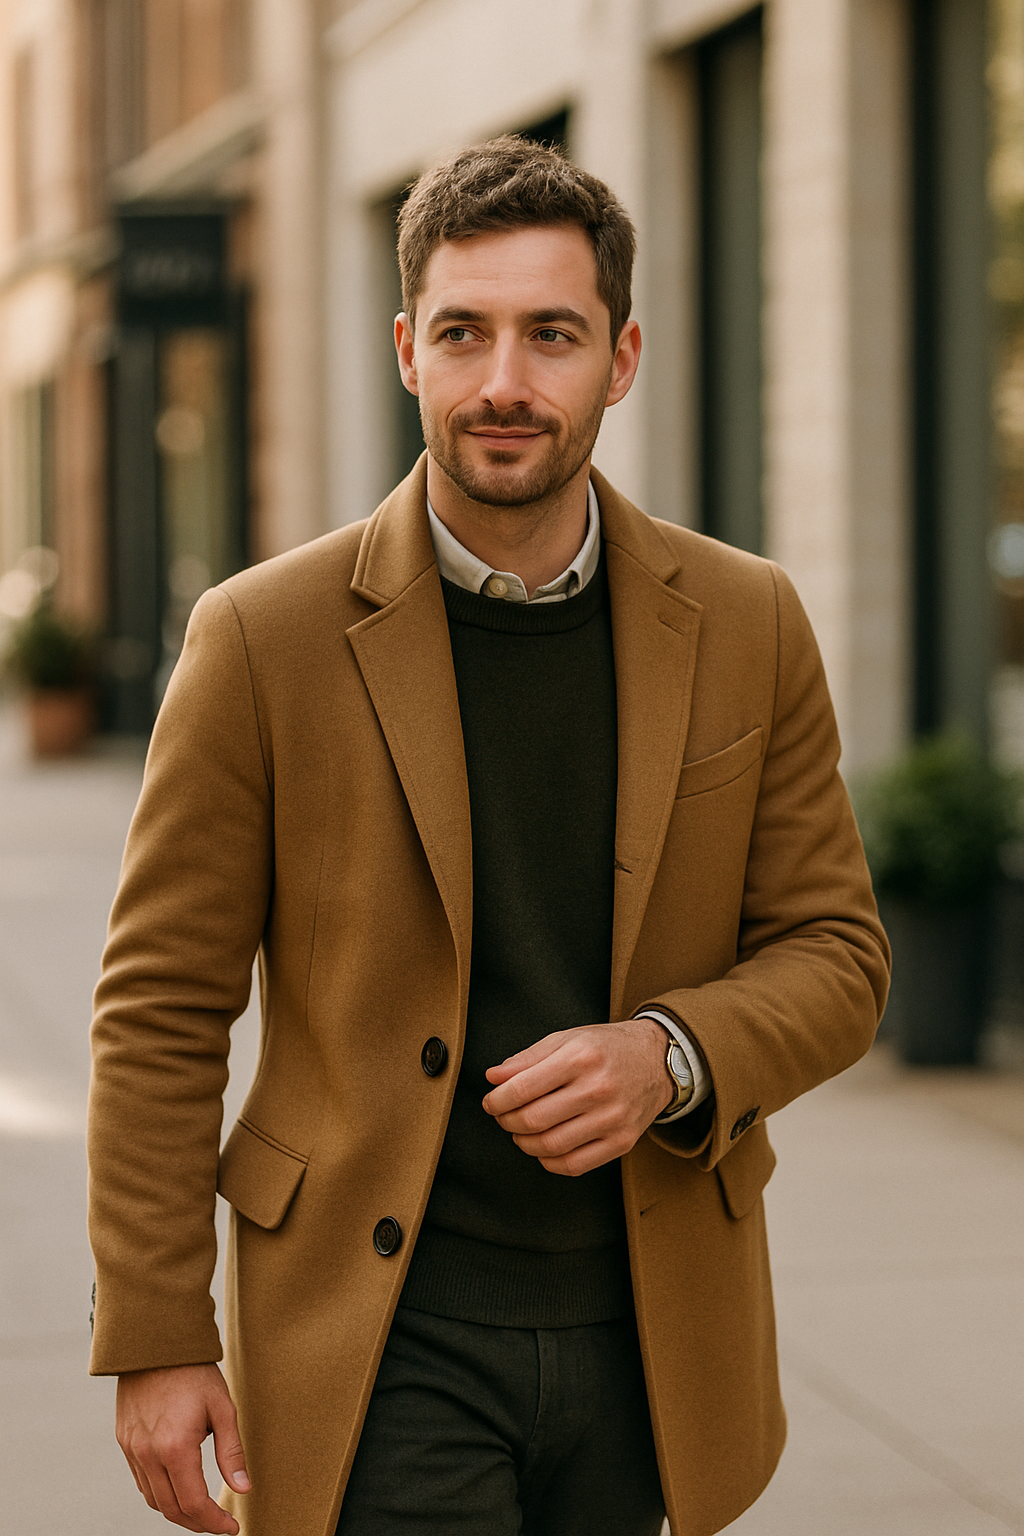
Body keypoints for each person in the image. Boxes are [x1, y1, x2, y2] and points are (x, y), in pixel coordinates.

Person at [88, 136, 889, 1536]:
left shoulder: (750, 620)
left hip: (654, 1328)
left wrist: (672, 1055)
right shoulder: (259, 641)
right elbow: (161, 1009)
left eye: (552, 335)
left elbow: (838, 953)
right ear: (407, 348)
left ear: (622, 357)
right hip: (382, 1331)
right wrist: (158, 1330)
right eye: (463, 333)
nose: (504, 383)